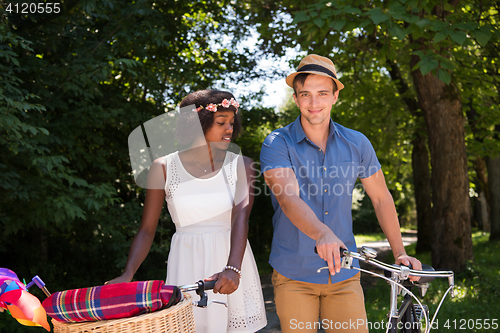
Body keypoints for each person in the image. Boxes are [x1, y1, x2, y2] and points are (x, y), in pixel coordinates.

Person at [259, 54, 422, 333]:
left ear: (335, 96)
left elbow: (381, 198)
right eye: (305, 95)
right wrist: (323, 233)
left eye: (322, 93)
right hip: (294, 273)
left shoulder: (357, 143)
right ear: (296, 99)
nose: (314, 103)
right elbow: (288, 198)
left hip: (345, 275)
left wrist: (400, 253)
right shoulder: (277, 143)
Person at [108, 89, 267, 332]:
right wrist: (128, 273)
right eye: (221, 122)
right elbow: (147, 229)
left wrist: (233, 268)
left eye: (232, 123)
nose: (229, 130)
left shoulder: (242, 166)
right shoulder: (163, 167)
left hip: (231, 261)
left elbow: (241, 219)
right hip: (186, 262)